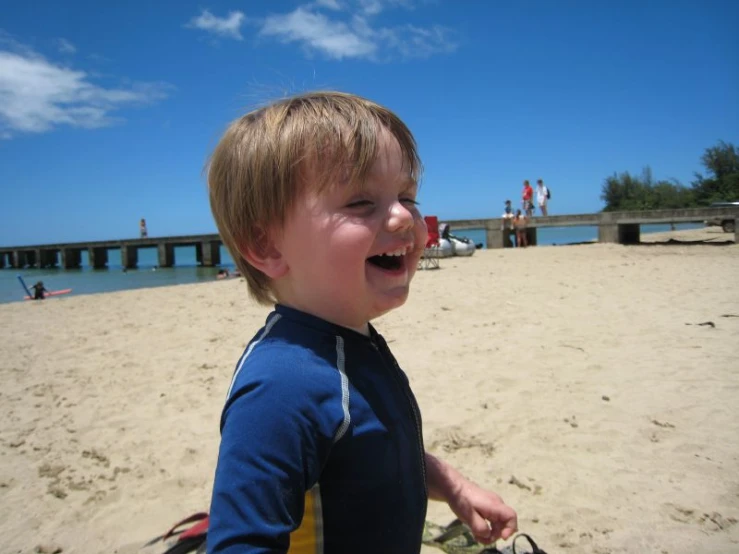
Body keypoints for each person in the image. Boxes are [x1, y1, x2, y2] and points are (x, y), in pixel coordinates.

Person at [205, 92, 517, 553]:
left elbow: (375, 453)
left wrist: (452, 485)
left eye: (407, 196)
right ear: (267, 245)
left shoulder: (354, 342)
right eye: (360, 202)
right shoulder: (280, 387)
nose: (403, 216)